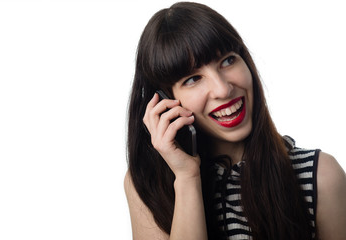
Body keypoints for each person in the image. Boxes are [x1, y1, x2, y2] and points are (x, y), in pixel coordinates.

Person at [124, 2, 346, 240]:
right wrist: (187, 178)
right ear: (165, 102)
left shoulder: (320, 176)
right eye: (193, 79)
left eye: (228, 61)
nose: (222, 89)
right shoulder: (147, 182)